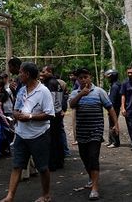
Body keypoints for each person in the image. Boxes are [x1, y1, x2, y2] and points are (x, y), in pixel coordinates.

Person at [0, 62, 55, 202]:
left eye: (20, 73)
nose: (19, 75)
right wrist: (16, 114)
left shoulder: (43, 91)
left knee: (42, 167)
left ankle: (46, 195)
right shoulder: (22, 90)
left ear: (27, 74)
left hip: (39, 134)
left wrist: (30, 117)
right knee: (17, 165)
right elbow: (17, 108)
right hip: (21, 134)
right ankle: (10, 196)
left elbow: (50, 114)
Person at [69, 67, 119, 201]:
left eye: (86, 77)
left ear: (90, 77)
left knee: (93, 157)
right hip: (82, 131)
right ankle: (92, 178)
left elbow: (110, 108)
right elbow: (72, 105)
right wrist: (81, 94)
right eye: (81, 78)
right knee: (84, 157)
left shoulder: (99, 92)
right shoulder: (75, 93)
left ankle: (95, 188)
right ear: (78, 80)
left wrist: (116, 124)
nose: (84, 80)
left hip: (96, 130)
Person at [40, 65, 65, 171]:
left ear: (50, 72)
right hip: (58, 113)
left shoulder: (50, 84)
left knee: (51, 139)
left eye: (43, 72)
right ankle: (59, 161)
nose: (42, 74)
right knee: (57, 138)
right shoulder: (57, 82)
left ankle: (52, 163)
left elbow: (50, 101)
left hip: (53, 115)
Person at [104, 69, 121, 148]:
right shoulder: (114, 85)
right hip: (114, 108)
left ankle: (115, 142)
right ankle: (111, 140)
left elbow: (113, 100)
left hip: (114, 108)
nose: (108, 79)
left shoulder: (115, 86)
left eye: (109, 77)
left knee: (113, 124)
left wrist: (110, 108)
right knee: (111, 124)